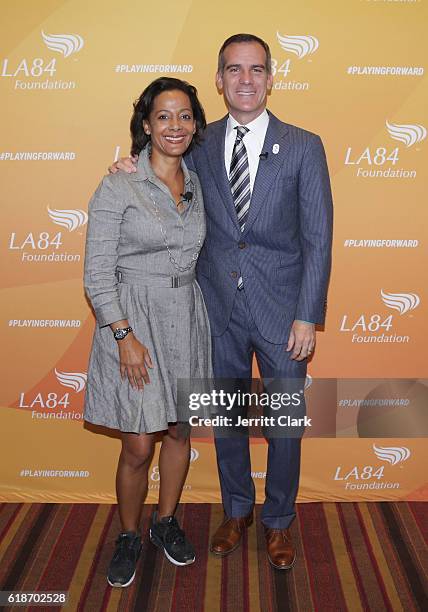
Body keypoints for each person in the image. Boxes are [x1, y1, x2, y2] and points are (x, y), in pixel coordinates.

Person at [112, 33, 333, 570]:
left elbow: (318, 238)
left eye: (256, 69)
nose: (246, 80)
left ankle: (279, 521)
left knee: (284, 425)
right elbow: (157, 166)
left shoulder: (305, 145)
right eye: (234, 70)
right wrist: (127, 168)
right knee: (228, 421)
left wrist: (308, 314)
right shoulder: (199, 141)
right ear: (219, 79)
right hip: (214, 313)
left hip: (284, 313)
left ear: (271, 77)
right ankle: (237, 511)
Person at [84, 77, 211, 587]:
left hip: (188, 316)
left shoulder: (199, 182)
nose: (174, 125)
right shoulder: (118, 184)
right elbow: (96, 272)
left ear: (195, 124)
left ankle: (165, 522)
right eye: (163, 116)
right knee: (139, 443)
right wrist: (123, 335)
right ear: (145, 124)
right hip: (134, 321)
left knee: (179, 429)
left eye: (184, 116)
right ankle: (130, 534)